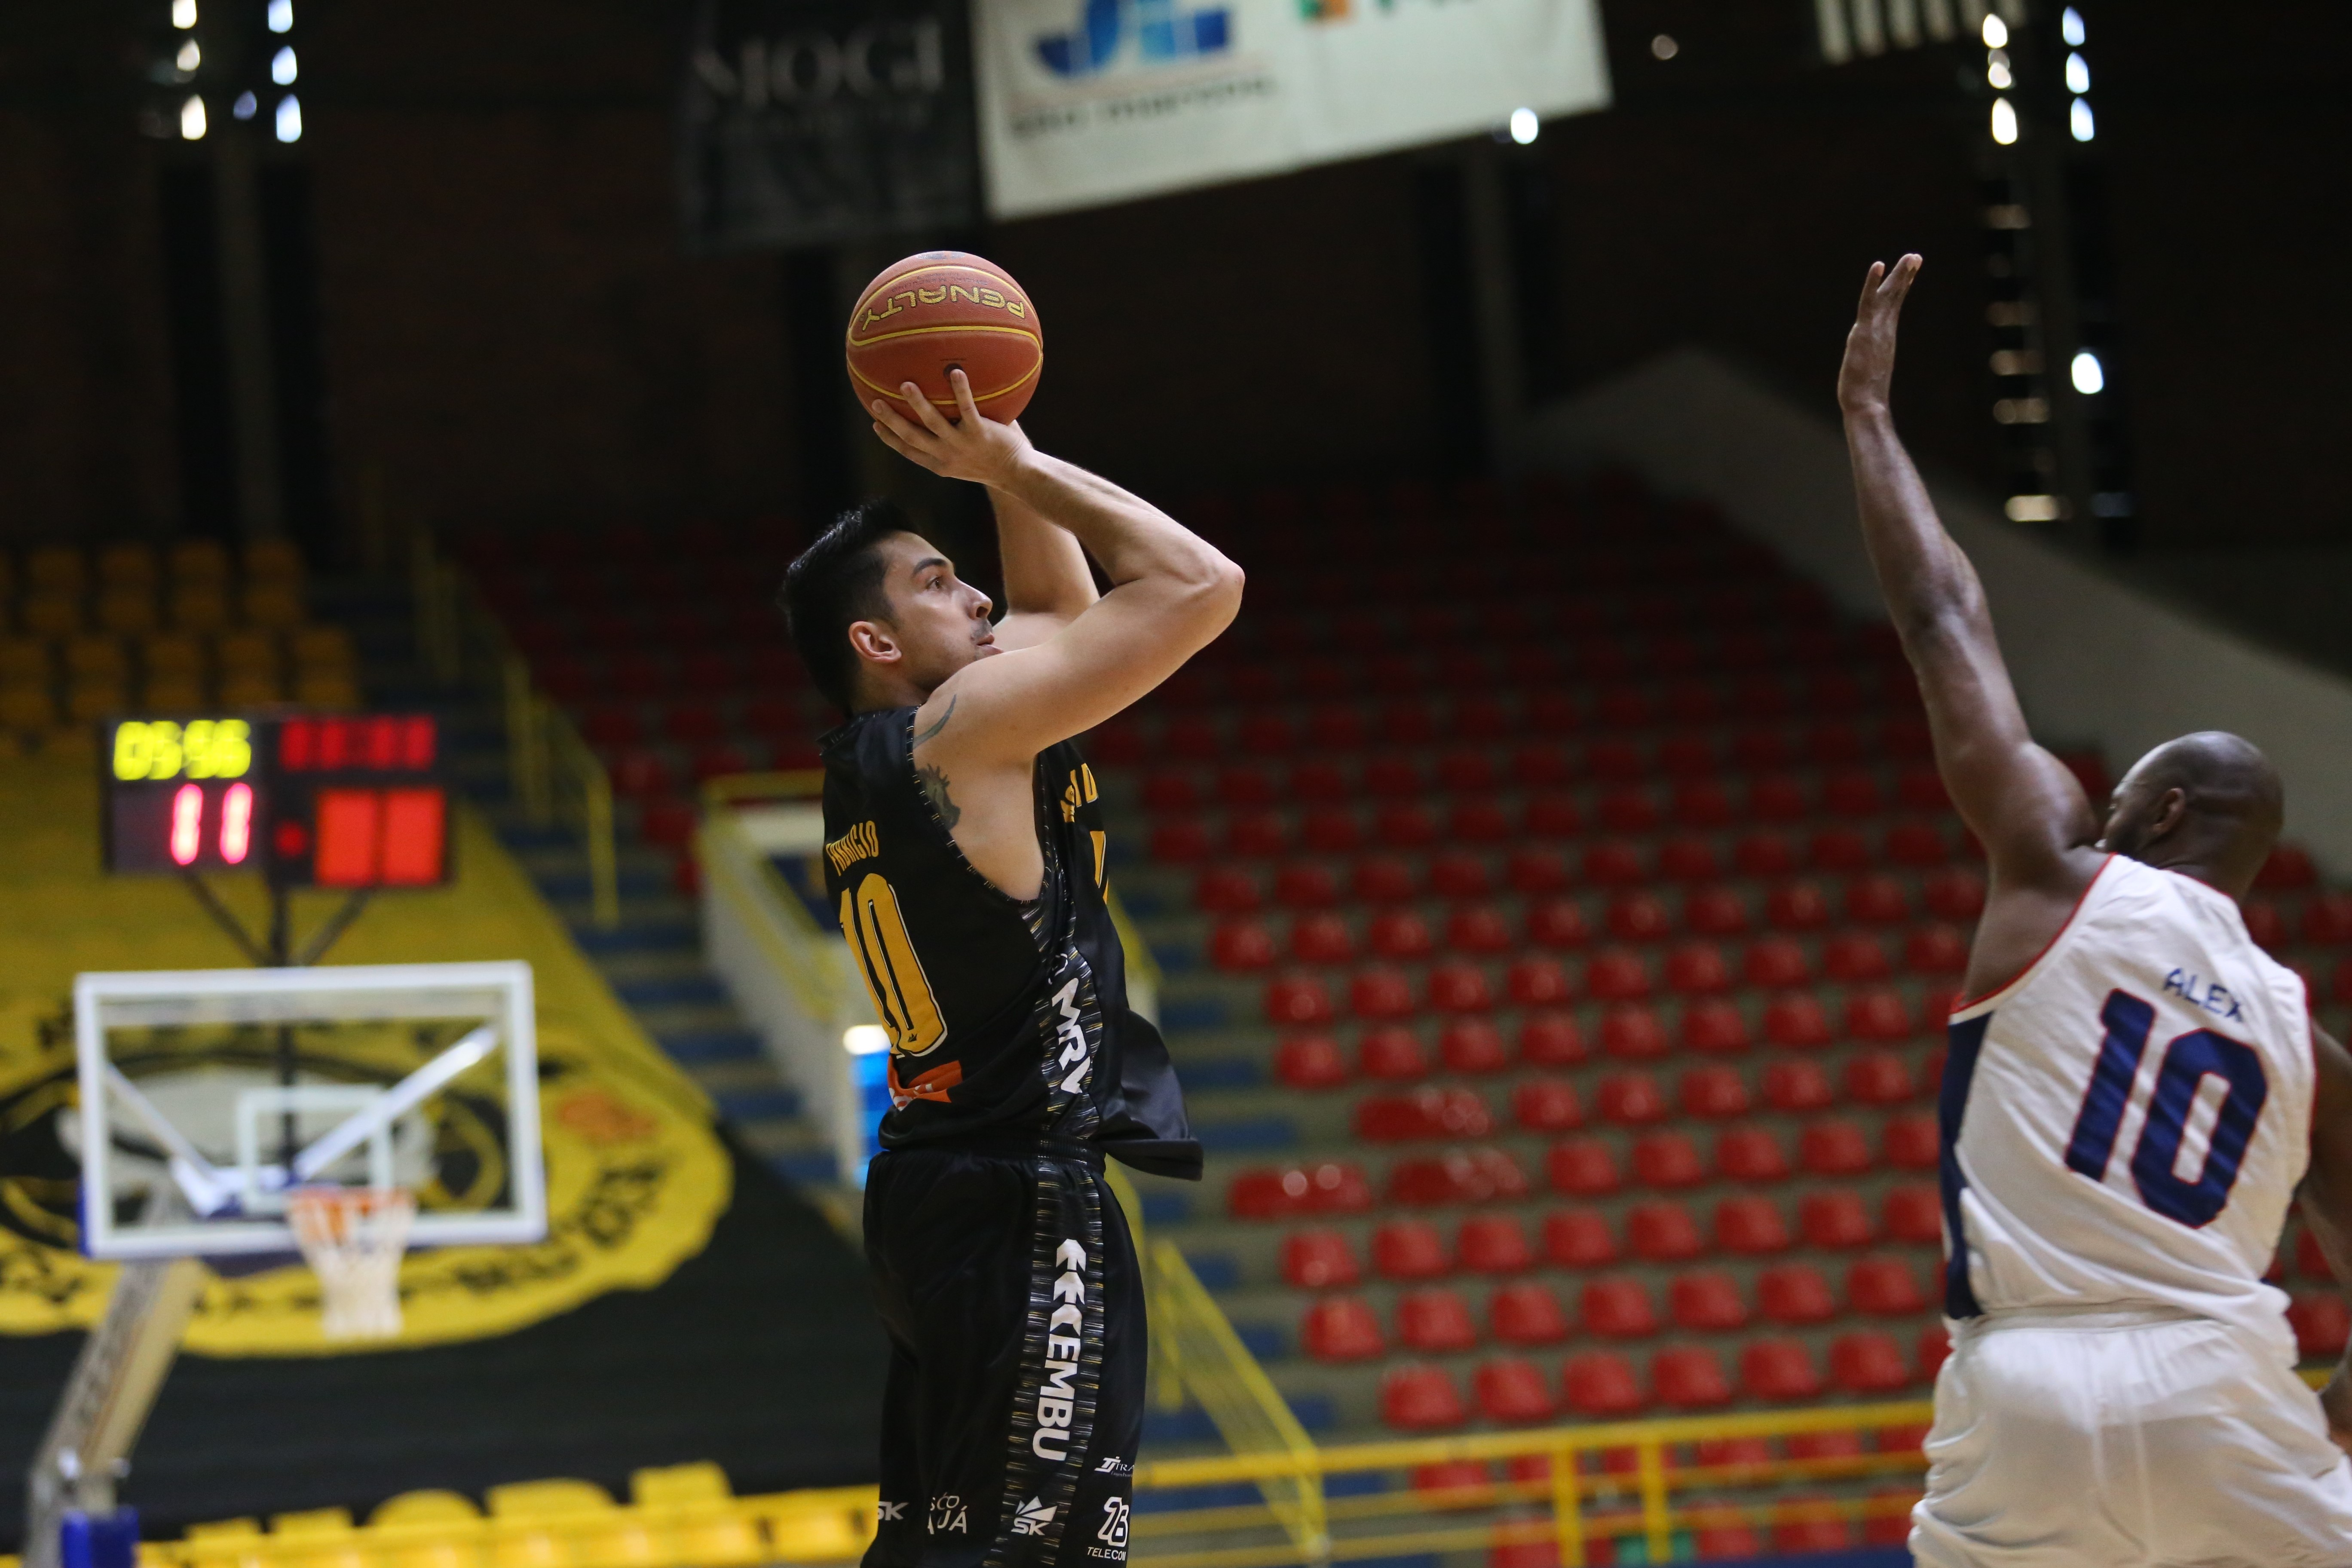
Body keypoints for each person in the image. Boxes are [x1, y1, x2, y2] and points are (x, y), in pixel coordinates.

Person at [1840, 254, 2352, 1564]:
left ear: (2161, 814)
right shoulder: (2307, 1043)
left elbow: (1943, 613)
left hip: (2028, 1384)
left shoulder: (2058, 871)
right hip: (2226, 1380)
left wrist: (1872, 424)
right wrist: (2330, 1423)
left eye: (2121, 790)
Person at [782, 369, 1243, 1568]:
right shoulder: (965, 729)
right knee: (1028, 1556)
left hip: (943, 1195)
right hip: (1018, 1201)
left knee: (941, 1540)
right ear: (877, 641)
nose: (976, 589)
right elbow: (1201, 585)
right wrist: (1015, 474)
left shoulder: (907, 746)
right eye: (937, 581)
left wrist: (1004, 445)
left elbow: (1048, 603)